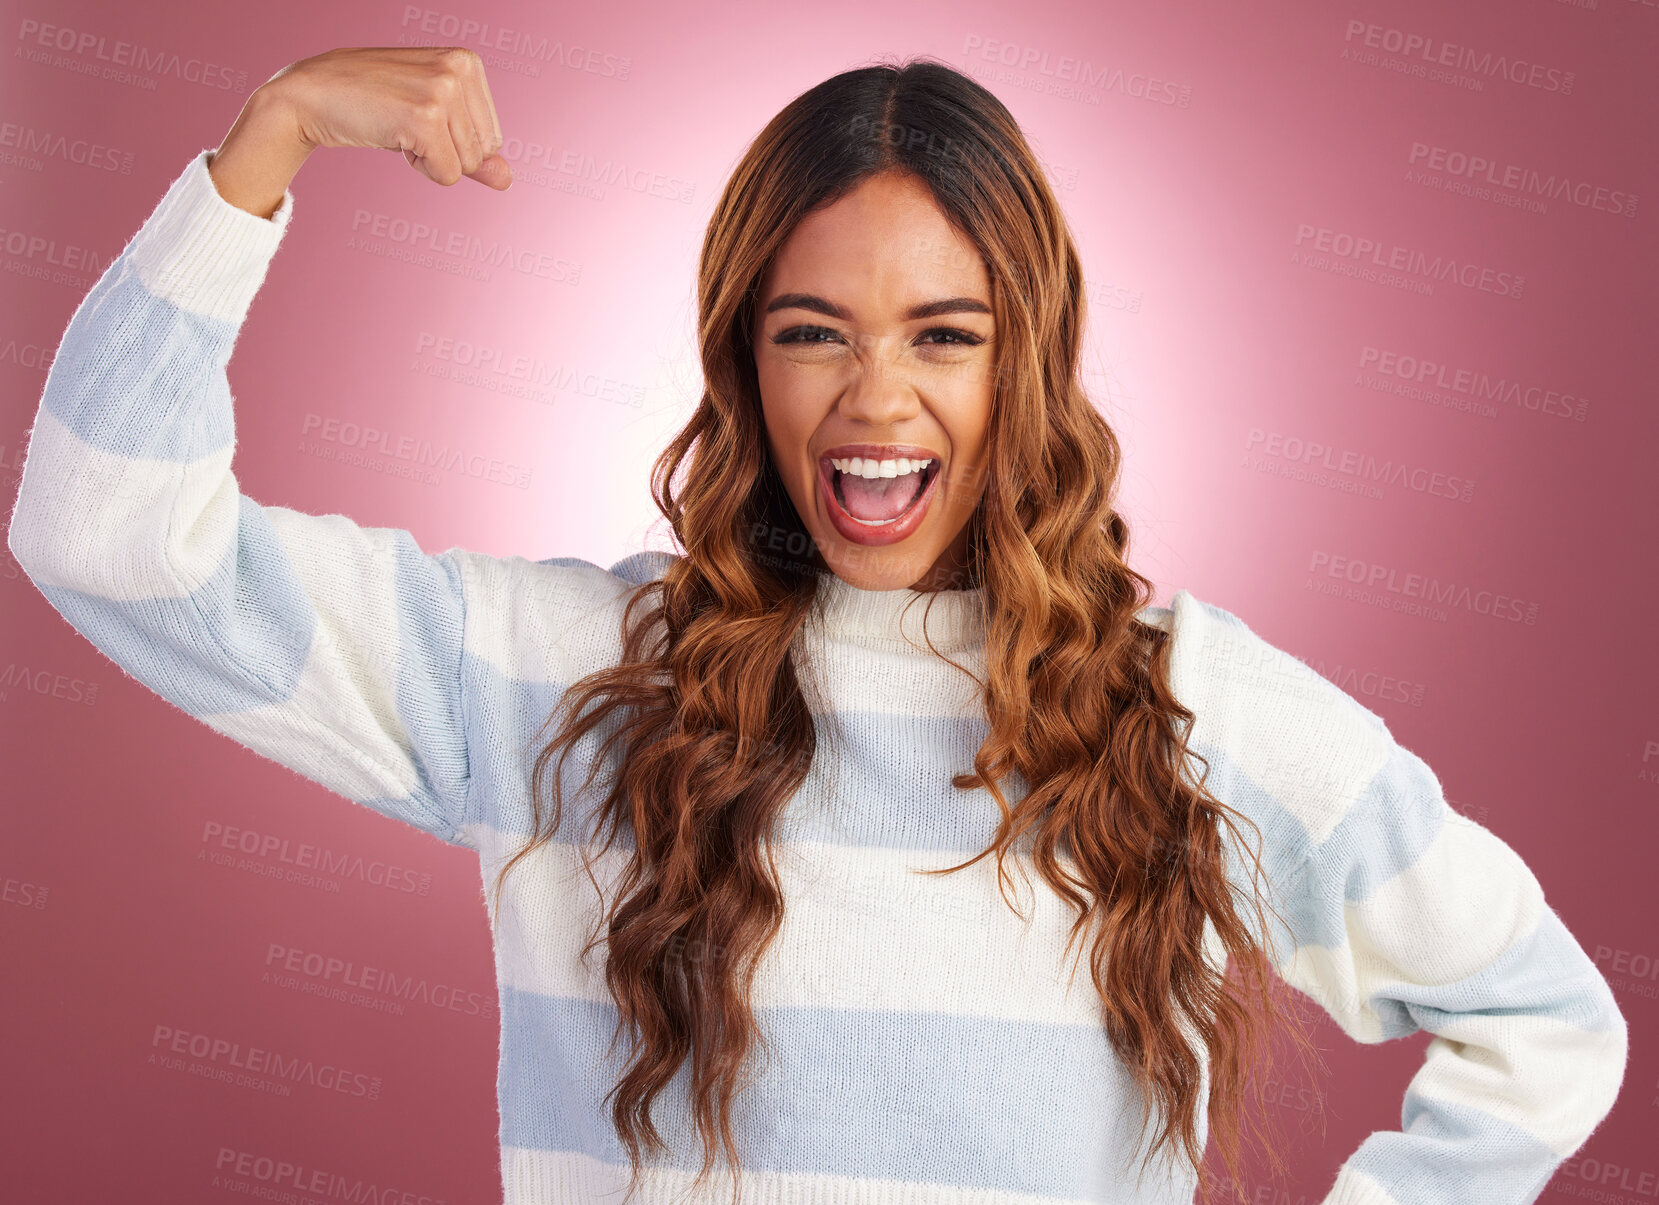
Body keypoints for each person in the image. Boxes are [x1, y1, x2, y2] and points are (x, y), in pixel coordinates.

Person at [7, 45, 1627, 1205]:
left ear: (1028, 364)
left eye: (944, 333)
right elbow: (106, 534)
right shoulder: (561, 682)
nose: (875, 397)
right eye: (812, 332)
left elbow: (1544, 1021)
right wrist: (268, 141)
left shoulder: (1188, 704)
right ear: (743, 365)